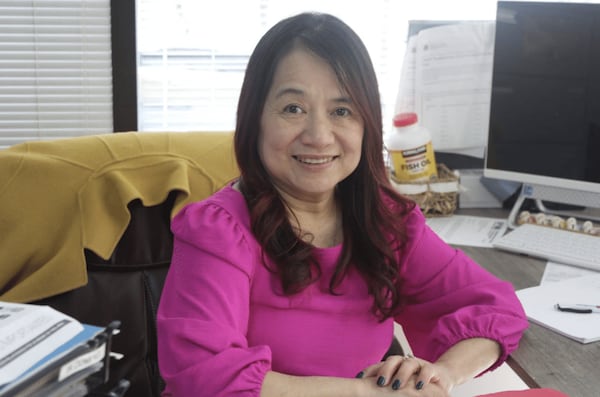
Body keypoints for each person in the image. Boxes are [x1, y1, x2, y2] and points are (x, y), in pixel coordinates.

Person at [156, 12, 528, 397]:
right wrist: (372, 393)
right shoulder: (218, 230)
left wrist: (440, 375)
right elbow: (203, 376)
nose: (319, 136)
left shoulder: (385, 221)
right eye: (293, 109)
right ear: (255, 120)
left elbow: (497, 308)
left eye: (341, 111)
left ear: (366, 124)